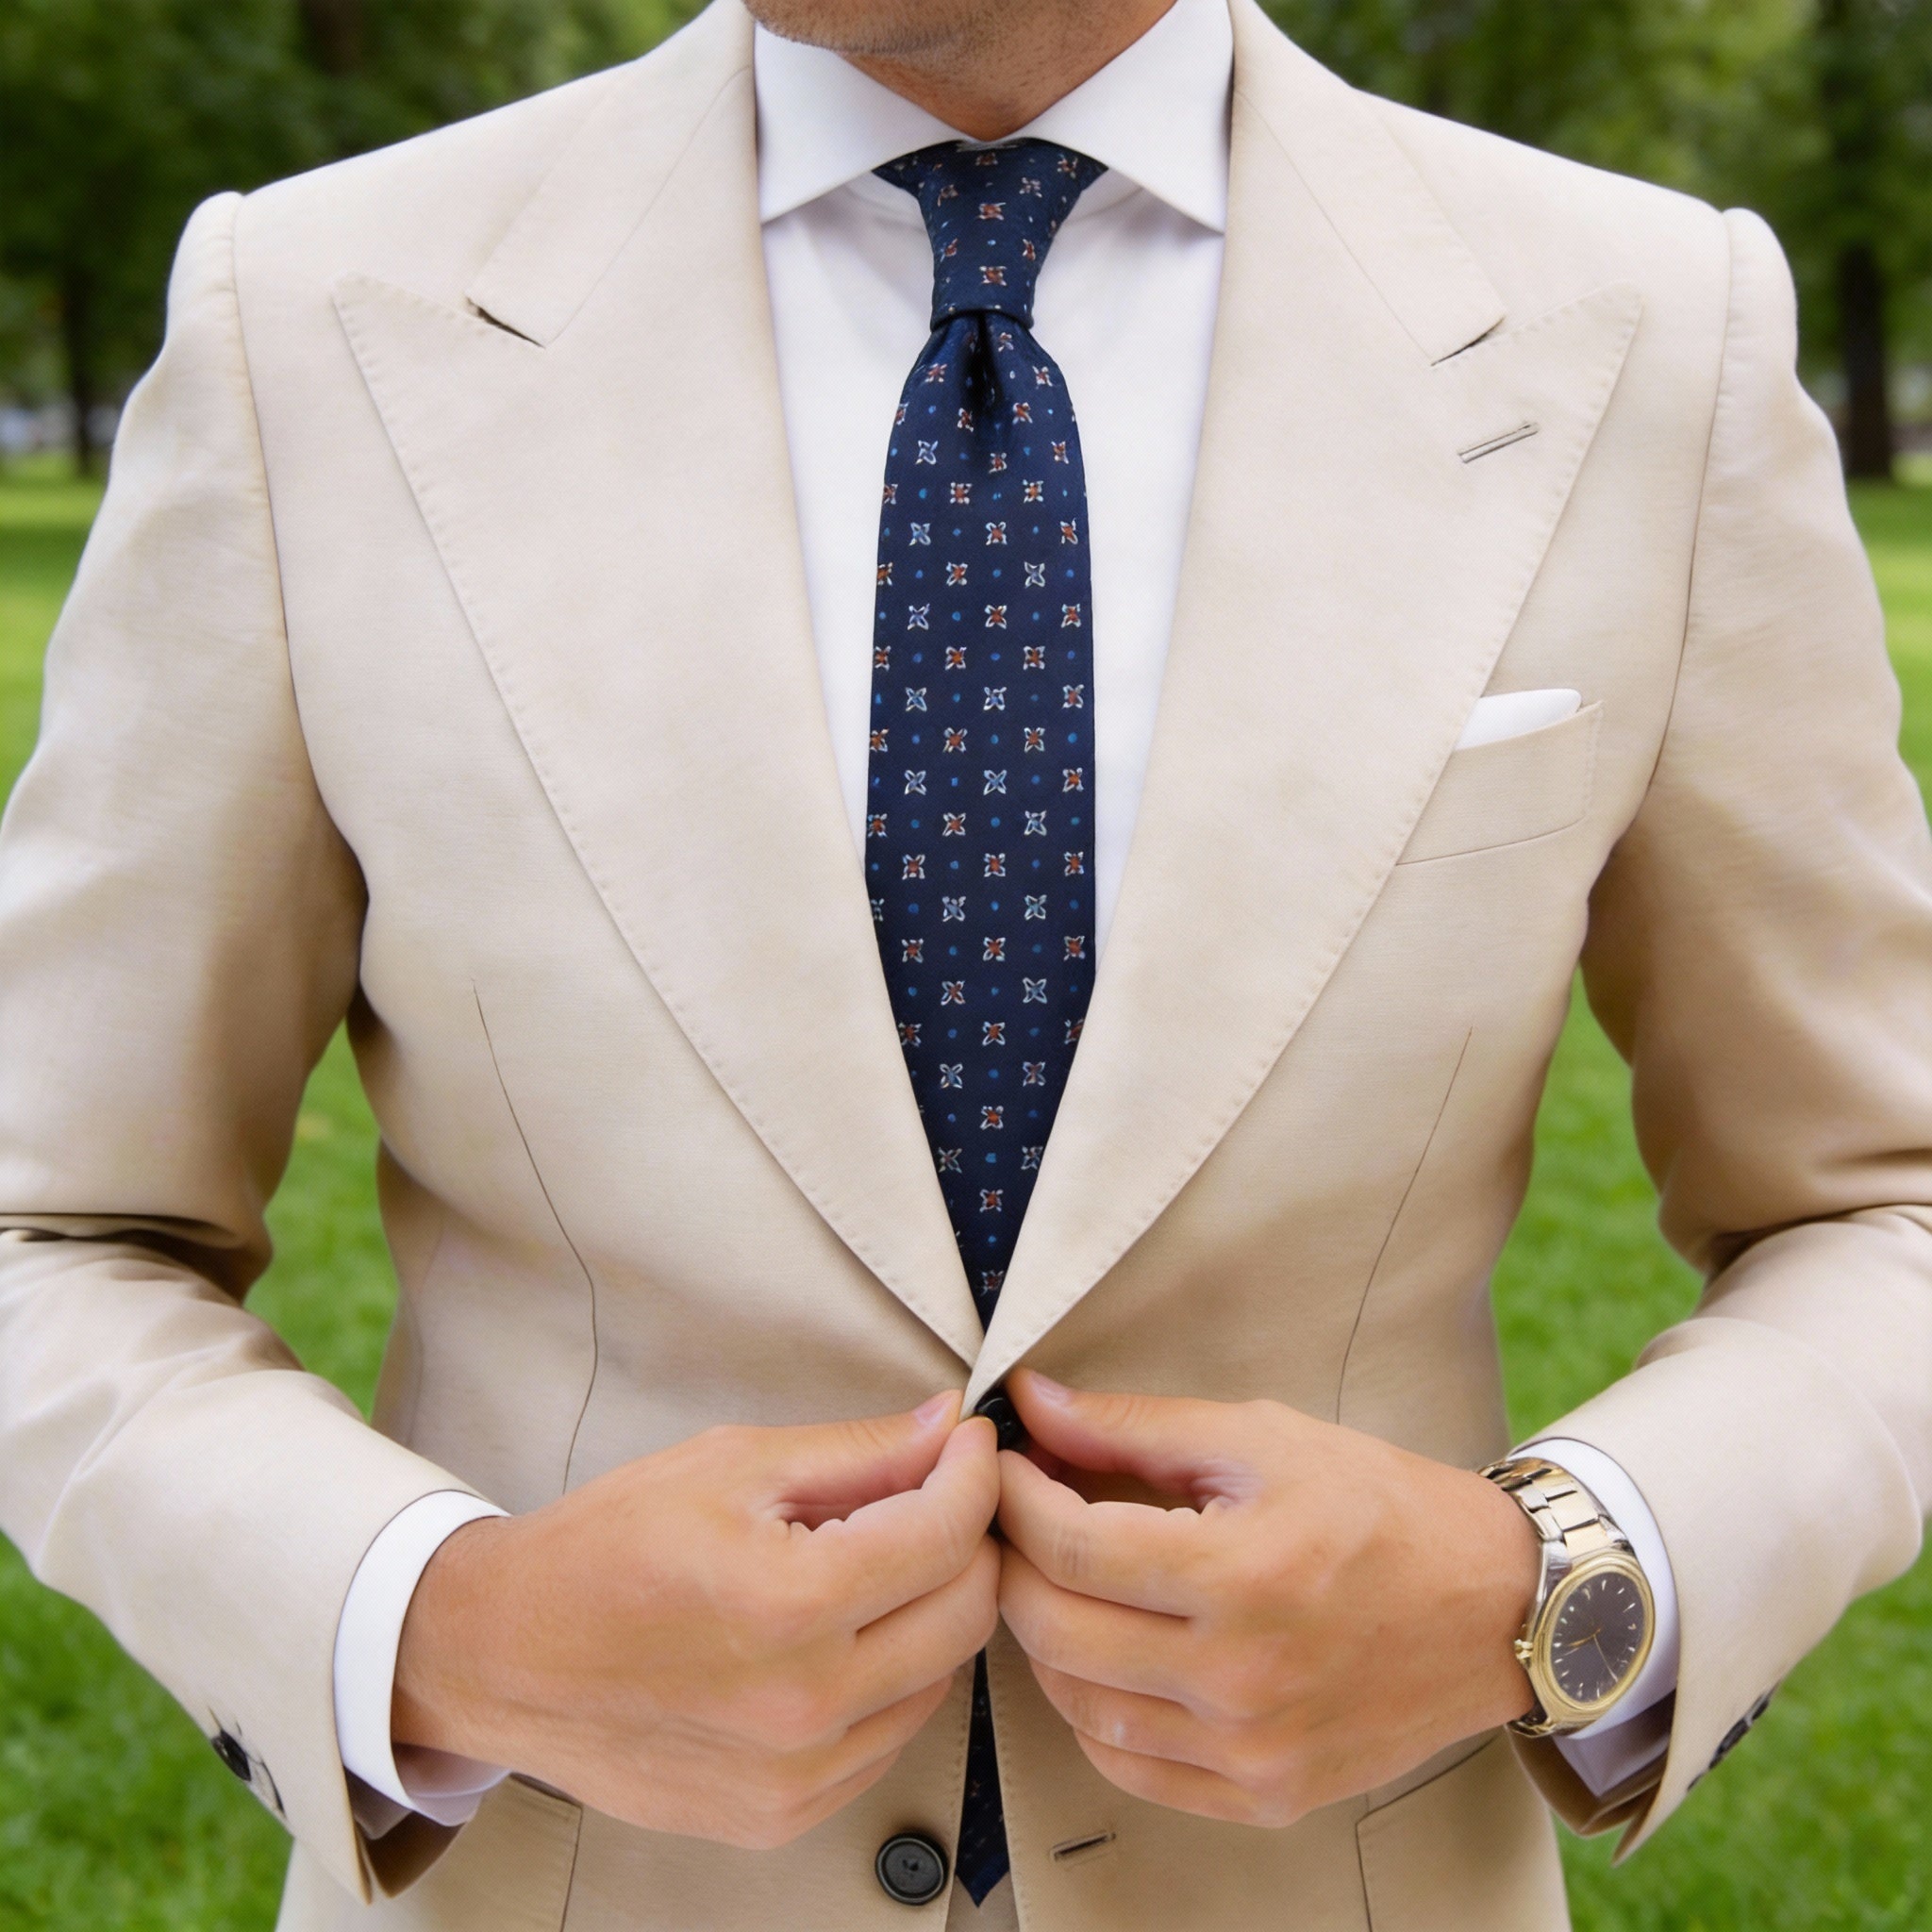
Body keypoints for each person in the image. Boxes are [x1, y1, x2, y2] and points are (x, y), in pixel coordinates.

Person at [1, 0, 1928, 1924]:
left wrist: (1552, 1587)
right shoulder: (308, 318)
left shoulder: (1653, 331)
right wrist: (445, 1626)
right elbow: (50, 1224)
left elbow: (1882, 1201)